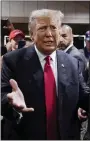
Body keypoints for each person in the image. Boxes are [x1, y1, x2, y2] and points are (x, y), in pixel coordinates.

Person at [1, 9, 90, 140]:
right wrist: (10, 102)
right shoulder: (13, 61)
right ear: (32, 34)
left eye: (53, 27)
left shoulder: (72, 63)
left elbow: (83, 95)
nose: (49, 34)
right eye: (42, 28)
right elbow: (2, 95)